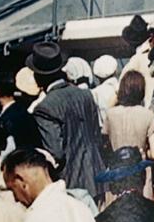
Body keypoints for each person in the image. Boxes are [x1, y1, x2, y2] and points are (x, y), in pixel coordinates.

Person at [26, 39, 104, 199]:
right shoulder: (86, 95)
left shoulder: (45, 107)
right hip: (98, 174)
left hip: (72, 183)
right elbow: (96, 135)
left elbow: (56, 153)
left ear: (38, 76)